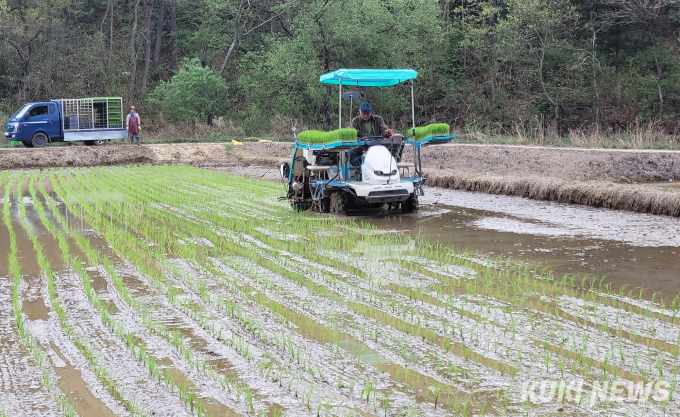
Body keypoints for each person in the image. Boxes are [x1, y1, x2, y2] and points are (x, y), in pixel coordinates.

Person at [349, 102, 393, 169]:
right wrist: (361, 140)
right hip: (363, 145)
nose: (366, 116)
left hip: (376, 145)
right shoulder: (355, 121)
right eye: (364, 113)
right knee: (350, 153)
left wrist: (387, 132)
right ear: (360, 111)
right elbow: (353, 136)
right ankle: (360, 170)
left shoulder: (378, 120)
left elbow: (384, 129)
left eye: (368, 113)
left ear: (371, 112)